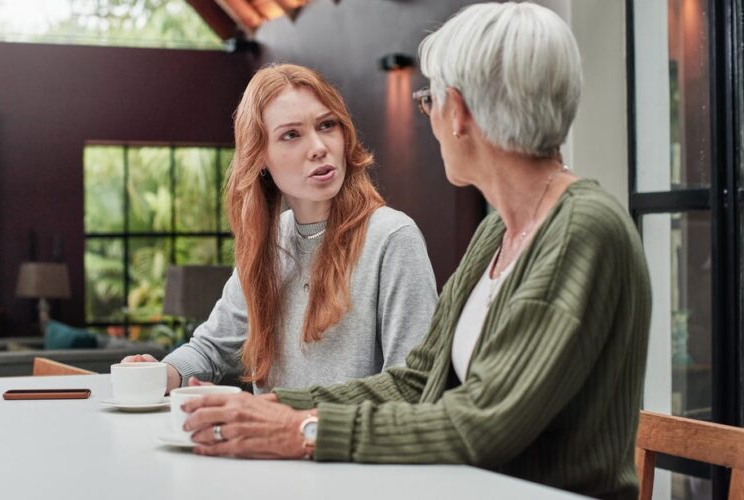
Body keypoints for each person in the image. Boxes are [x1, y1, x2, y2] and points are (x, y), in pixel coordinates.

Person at [180, 3, 651, 498]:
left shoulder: (582, 232)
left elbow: (481, 424)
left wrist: (301, 431)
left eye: (429, 101)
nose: (428, 116)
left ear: (460, 113)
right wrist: (281, 405)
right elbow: (418, 379)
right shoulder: (500, 233)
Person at [125, 64, 437, 394]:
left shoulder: (392, 237)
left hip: (341, 444)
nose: (318, 147)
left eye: (326, 125)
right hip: (264, 446)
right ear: (259, 156)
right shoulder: (271, 242)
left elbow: (412, 387)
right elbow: (210, 348)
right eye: (291, 134)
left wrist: (295, 423)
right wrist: (162, 372)